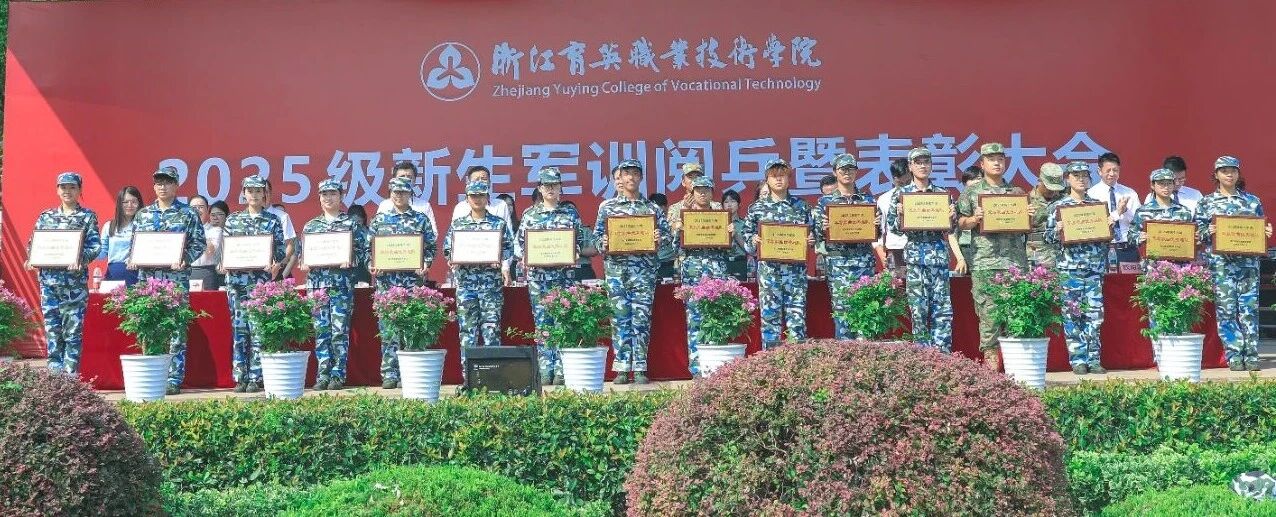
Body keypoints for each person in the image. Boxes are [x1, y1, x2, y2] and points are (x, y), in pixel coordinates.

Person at [594, 159, 673, 384]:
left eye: (635, 174)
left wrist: (660, 238)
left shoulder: (652, 208)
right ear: (620, 177)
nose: (631, 178)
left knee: (641, 319)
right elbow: (597, 237)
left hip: (644, 272)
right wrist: (603, 243)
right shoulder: (608, 207)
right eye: (626, 174)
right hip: (616, 272)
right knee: (619, 318)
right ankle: (621, 368)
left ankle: (639, 367)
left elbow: (668, 238)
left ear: (641, 177)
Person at [128, 166, 206, 394]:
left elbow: (199, 243)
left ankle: (173, 379)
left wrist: (185, 259)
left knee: (175, 330)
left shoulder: (188, 213)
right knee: (149, 326)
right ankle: (153, 375)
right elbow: (135, 243)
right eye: (159, 183)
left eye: (167, 182)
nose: (162, 187)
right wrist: (133, 258)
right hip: (148, 281)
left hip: (175, 280)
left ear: (176, 185)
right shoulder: (143, 214)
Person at [1195, 156, 1271, 371]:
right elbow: (1197, 234)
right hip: (1221, 266)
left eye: (1233, 171)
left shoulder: (1252, 201)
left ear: (1238, 174)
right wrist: (1207, 231)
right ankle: (1235, 355)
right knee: (1226, 311)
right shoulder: (1206, 203)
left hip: (1248, 265)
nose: (1229, 174)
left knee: (1249, 310)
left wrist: (1265, 233)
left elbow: (1260, 229)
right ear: (1216, 175)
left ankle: (1252, 354)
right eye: (1224, 171)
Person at [957, 143, 1029, 371]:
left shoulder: (1016, 193)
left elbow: (1030, 226)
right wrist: (974, 219)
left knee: (1016, 316)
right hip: (985, 262)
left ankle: (1016, 373)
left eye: (1000, 159)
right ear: (982, 164)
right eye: (991, 159)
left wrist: (1028, 216)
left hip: (1015, 264)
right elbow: (960, 223)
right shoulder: (971, 193)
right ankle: (992, 375)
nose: (997, 163)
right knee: (989, 319)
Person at [518, 167, 590, 384]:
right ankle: (544, 368)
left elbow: (580, 241)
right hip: (538, 278)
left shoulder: (570, 214)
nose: (550, 189)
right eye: (546, 185)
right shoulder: (530, 215)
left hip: (564, 277)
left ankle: (560, 369)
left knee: (562, 321)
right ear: (540, 188)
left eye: (554, 185)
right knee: (542, 323)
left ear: (560, 188)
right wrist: (525, 256)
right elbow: (520, 244)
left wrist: (575, 251)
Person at [299, 179, 371, 391]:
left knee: (339, 330)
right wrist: (304, 262)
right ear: (319, 198)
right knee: (321, 330)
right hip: (317, 286)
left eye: (333, 194)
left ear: (341, 197)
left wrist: (351, 260)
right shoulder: (311, 226)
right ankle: (323, 375)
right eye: (324, 194)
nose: (328, 198)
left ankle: (338, 374)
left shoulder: (351, 224)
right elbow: (303, 254)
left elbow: (364, 252)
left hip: (341, 285)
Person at [26, 172, 101, 374]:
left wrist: (80, 259)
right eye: (63, 187)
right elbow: (34, 243)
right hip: (49, 284)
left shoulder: (87, 216)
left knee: (72, 332)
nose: (67, 191)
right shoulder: (46, 216)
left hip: (73, 285)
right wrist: (32, 258)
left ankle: (70, 378)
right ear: (57, 190)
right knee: (52, 330)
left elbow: (95, 246)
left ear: (79, 190)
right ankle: (55, 377)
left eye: (72, 187)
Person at [887, 148, 960, 352]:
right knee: (918, 311)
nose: (922, 166)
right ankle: (924, 358)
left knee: (942, 310)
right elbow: (893, 228)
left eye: (926, 162)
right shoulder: (901, 194)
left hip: (938, 256)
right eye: (918, 162)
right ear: (910, 167)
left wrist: (952, 218)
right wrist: (900, 215)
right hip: (915, 257)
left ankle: (943, 357)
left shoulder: (941, 194)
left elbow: (951, 229)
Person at [1045, 162, 1113, 374]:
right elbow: (1047, 238)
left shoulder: (1097, 206)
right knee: (1072, 315)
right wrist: (1057, 230)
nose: (1081, 179)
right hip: (1069, 269)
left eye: (1085, 175)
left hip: (1093, 269)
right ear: (1067, 179)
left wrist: (1108, 227)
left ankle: (1094, 359)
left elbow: (1106, 240)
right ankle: (1078, 360)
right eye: (1076, 176)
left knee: (1094, 315)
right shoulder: (1058, 207)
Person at [220, 176, 287, 392]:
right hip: (236, 283)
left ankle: (256, 377)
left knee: (258, 329)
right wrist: (225, 263)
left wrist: (274, 263)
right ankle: (240, 376)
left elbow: (280, 251)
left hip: (260, 283)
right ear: (244, 193)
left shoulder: (272, 220)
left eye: (259, 191)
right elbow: (225, 250)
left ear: (264, 194)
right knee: (239, 329)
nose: (255, 195)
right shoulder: (233, 220)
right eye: (250, 191)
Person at [369, 177, 436, 388]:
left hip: (412, 283)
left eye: (403, 192)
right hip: (386, 284)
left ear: (410, 195)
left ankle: (409, 373)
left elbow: (431, 247)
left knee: (412, 328)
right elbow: (368, 249)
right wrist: (372, 264)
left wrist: (425, 263)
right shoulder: (379, 220)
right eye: (395, 192)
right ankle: (390, 374)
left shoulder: (420, 219)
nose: (399, 196)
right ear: (390, 194)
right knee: (388, 329)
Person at [445, 179, 514, 376]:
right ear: (467, 199)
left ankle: (493, 377)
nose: (477, 199)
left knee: (491, 331)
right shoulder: (458, 224)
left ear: (487, 198)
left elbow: (509, 248)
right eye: (473, 196)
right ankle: (469, 377)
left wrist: (499, 258)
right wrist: (453, 259)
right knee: (467, 332)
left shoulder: (498, 223)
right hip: (466, 285)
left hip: (490, 286)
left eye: (481, 195)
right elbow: (447, 249)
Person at [744, 159, 813, 350]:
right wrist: (754, 241)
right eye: (774, 176)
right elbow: (748, 243)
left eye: (782, 175)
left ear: (789, 178)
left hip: (795, 274)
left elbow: (813, 235)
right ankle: (770, 362)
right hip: (769, 274)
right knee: (770, 322)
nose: (779, 179)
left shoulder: (801, 206)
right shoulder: (757, 208)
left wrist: (810, 240)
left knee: (796, 321)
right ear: (767, 180)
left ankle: (796, 363)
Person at [813, 153, 879, 340]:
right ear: (835, 172)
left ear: (856, 172)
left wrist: (877, 225)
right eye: (843, 169)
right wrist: (823, 228)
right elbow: (816, 236)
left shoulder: (868, 201)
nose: (847, 172)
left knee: (866, 312)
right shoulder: (824, 203)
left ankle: (866, 356)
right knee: (843, 315)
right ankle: (845, 356)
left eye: (851, 169)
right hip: (838, 264)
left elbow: (880, 233)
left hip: (864, 263)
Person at [673, 173, 729, 376]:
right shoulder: (685, 216)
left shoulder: (721, 216)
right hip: (692, 273)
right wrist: (678, 231)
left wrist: (730, 233)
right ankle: (697, 369)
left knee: (716, 317)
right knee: (695, 320)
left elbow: (730, 250)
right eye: (698, 190)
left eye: (706, 190)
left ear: (712, 192)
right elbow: (675, 248)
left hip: (716, 272)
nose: (702, 193)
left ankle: (716, 369)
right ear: (692, 192)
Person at [1129, 168, 1196, 269]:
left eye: (1169, 183)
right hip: (1153, 267)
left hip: (1179, 267)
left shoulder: (1184, 211)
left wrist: (1194, 238)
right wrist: (1139, 237)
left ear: (1173, 185)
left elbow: (1191, 239)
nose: (1166, 187)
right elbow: (1131, 237)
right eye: (1161, 184)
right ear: (1153, 185)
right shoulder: (1143, 211)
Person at [1086, 152, 1141, 265]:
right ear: (1099, 171)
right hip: (1102, 249)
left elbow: (1139, 223)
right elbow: (1094, 225)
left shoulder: (1129, 193)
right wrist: (1118, 212)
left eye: (1115, 170)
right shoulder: (1091, 194)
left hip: (1127, 248)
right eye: (1108, 170)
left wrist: (1126, 211)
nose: (1112, 174)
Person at [98, 186, 144, 286]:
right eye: (125, 202)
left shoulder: (144, 226)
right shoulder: (109, 226)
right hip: (112, 275)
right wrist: (87, 248)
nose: (130, 205)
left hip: (135, 274)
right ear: (120, 203)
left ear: (139, 203)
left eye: (134, 202)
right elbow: (101, 254)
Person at [874, 158, 911, 274]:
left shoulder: (922, 196)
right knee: (897, 283)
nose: (904, 187)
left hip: (918, 249)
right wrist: (881, 253)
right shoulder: (884, 199)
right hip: (895, 249)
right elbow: (878, 229)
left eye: (908, 182)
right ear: (893, 179)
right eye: (900, 183)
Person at [1028, 163, 1066, 269]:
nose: (1052, 191)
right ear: (1040, 181)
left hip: (1061, 255)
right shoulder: (1027, 201)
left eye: (1056, 188)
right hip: (1036, 254)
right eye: (1048, 187)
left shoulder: (1065, 201)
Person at [263, 180, 299, 280]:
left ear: (270, 193)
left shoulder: (282, 216)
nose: (263, 195)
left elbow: (290, 245)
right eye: (258, 192)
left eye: (266, 191)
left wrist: (280, 264)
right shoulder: (242, 218)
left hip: (275, 272)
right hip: (248, 274)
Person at [189, 195, 223, 291]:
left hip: (207, 273)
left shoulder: (215, 230)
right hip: (187, 272)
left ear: (207, 210)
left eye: (201, 207)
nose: (197, 210)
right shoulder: (184, 230)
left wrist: (198, 229)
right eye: (194, 207)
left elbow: (210, 252)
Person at [561, 199, 598, 281]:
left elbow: (594, 250)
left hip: (583, 269)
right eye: (566, 210)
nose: (570, 213)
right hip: (562, 271)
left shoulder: (585, 230)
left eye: (573, 210)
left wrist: (575, 250)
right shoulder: (555, 233)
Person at [955, 166, 983, 272]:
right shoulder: (962, 199)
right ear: (964, 183)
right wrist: (960, 258)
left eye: (979, 178)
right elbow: (953, 232)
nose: (976, 182)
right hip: (967, 246)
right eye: (971, 179)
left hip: (985, 247)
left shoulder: (990, 198)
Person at [721, 189, 749, 281]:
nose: (729, 205)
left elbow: (749, 248)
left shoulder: (745, 224)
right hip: (722, 262)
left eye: (733, 201)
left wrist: (736, 235)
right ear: (722, 205)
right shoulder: (718, 224)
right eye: (726, 202)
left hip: (740, 262)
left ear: (739, 204)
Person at [649, 192, 677, 279]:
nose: (656, 209)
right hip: (651, 262)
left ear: (665, 207)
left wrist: (661, 239)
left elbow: (671, 237)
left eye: (660, 206)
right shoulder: (645, 221)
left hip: (668, 262)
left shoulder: (672, 220)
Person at [345, 204, 373, 286]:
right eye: (353, 223)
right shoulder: (343, 234)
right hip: (347, 270)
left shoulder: (369, 233)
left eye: (358, 222)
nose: (356, 226)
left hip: (364, 269)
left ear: (364, 219)